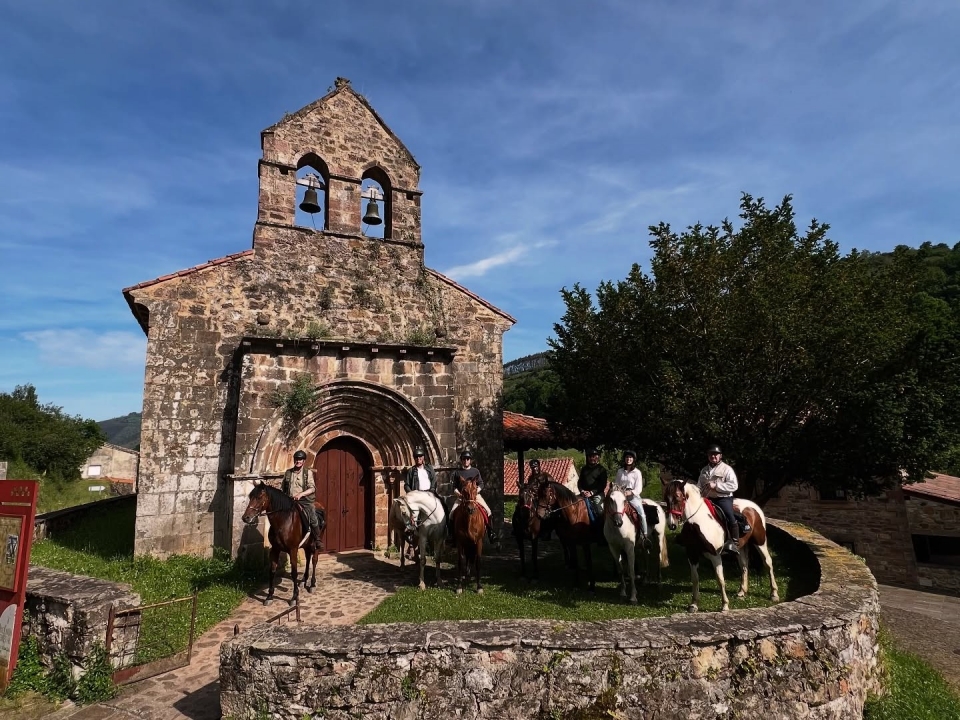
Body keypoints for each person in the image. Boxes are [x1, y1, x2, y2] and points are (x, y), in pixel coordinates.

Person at [698, 444, 740, 554]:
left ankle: (734, 542)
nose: (713, 456)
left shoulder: (727, 469)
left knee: (728, 514)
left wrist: (716, 486)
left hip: (723, 498)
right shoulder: (704, 470)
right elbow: (699, 486)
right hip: (707, 498)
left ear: (720, 456)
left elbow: (734, 486)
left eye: (715, 454)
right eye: (711, 454)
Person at [450, 449, 496, 545]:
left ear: (470, 460)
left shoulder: (475, 471)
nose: (466, 460)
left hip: (475, 496)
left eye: (467, 459)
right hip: (462, 497)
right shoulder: (457, 472)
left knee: (488, 511)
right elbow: (454, 486)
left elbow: (481, 484)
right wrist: (458, 494)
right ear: (461, 460)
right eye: (464, 459)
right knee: (451, 513)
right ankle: (453, 536)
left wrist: (476, 492)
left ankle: (491, 533)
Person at [281, 450, 322, 544]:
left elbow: (312, 488)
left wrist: (301, 494)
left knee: (312, 516)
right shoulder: (288, 472)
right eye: (296, 459)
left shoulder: (308, 473)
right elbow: (283, 488)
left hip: (304, 501)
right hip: (290, 500)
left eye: (300, 459)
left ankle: (317, 539)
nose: (298, 461)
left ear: (304, 461)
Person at [613, 450, 649, 546]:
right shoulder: (620, 471)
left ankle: (644, 536)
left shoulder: (637, 472)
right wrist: (617, 491)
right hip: (621, 497)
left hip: (633, 497)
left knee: (642, 514)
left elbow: (639, 488)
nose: (628, 459)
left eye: (630, 458)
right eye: (627, 457)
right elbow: (616, 484)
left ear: (633, 460)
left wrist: (630, 492)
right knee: (613, 511)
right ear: (624, 459)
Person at [578, 448, 608, 523]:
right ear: (587, 458)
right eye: (590, 456)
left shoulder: (602, 470)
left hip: (596, 495)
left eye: (594, 456)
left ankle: (602, 529)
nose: (592, 458)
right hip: (583, 494)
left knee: (600, 511)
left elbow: (602, 485)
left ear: (598, 458)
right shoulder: (584, 469)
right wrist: (582, 491)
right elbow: (579, 482)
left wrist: (591, 493)